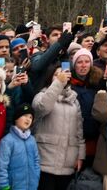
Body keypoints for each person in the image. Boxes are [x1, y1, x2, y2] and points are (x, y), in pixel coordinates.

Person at [33, 62, 85, 190]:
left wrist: (80, 156)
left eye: (63, 74)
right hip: (45, 161)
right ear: (50, 77)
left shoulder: (74, 100)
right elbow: (43, 107)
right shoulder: (41, 96)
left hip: (68, 162)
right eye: (56, 75)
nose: (60, 76)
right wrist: (58, 83)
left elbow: (79, 131)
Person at [0, 104, 41, 190]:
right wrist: (4, 186)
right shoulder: (7, 141)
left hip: (31, 186)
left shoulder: (32, 140)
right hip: (13, 186)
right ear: (16, 118)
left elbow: (36, 161)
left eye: (30, 117)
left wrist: (36, 177)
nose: (28, 119)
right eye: (24, 115)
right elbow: (2, 167)